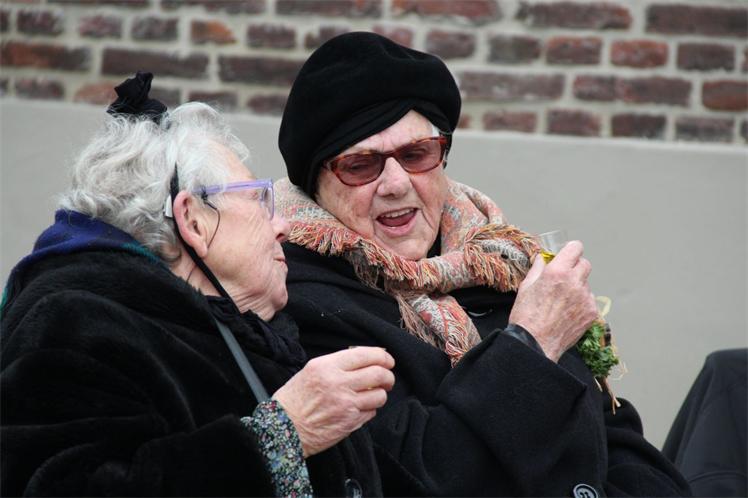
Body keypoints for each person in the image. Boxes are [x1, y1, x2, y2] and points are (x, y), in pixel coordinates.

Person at [274, 32, 691, 497]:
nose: (395, 184)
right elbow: (422, 476)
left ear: (441, 157)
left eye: (415, 154)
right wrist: (531, 344)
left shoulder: (498, 259)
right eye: (360, 165)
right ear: (316, 185)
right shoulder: (301, 301)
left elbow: (609, 428)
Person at [0, 72, 394, 497]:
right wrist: (283, 436)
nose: (283, 226)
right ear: (193, 220)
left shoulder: (246, 332)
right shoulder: (75, 324)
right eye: (260, 201)